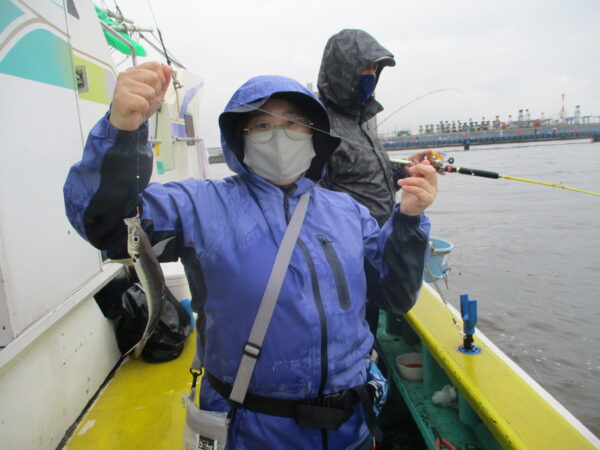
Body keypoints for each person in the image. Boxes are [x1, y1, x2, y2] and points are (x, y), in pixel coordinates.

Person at [63, 62, 437, 449]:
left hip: (352, 430)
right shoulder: (200, 205)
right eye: (261, 125)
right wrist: (122, 133)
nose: (279, 135)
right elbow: (107, 226)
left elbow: (394, 296)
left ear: (314, 133)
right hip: (251, 433)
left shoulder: (349, 212)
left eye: (294, 123)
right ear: (239, 137)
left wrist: (408, 220)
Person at [318, 29, 434, 336]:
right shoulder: (320, 125)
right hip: (351, 257)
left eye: (374, 69)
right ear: (343, 70)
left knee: (370, 322)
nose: (371, 76)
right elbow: (312, 201)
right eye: (365, 68)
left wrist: (406, 171)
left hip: (381, 243)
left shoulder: (361, 122)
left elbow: (364, 177)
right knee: (357, 324)